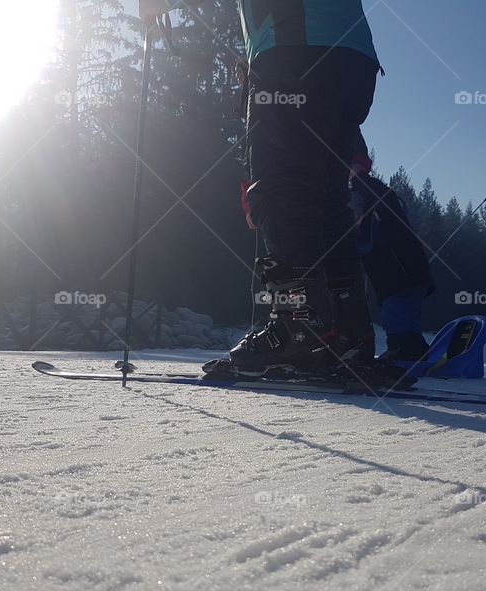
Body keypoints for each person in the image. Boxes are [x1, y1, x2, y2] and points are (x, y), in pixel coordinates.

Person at [140, 0, 382, 377]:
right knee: (328, 195)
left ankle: (302, 331)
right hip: (354, 59)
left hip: (293, 46)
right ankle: (349, 333)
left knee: (281, 187)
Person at [348, 138, 435, 362]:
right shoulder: (362, 217)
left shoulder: (380, 201)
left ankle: (408, 354)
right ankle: (406, 352)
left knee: (399, 320)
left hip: (405, 275)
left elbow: (380, 197)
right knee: (396, 320)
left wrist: (358, 178)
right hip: (396, 281)